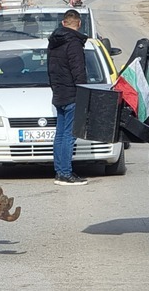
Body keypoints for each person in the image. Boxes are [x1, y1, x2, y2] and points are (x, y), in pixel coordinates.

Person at [46, 9, 89, 186]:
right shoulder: (74, 43)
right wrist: (84, 93)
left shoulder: (53, 43)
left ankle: (59, 171)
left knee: (60, 135)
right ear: (78, 24)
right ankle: (65, 173)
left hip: (58, 93)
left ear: (63, 23)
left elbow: (50, 70)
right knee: (69, 136)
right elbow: (79, 71)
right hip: (72, 94)